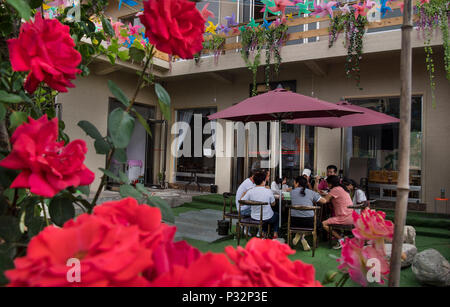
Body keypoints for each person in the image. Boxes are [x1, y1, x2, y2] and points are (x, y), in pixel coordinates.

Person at [290, 176, 327, 250]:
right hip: (309, 222)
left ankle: (300, 235)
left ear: (297, 183)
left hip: (294, 222)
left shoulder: (291, 192)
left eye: (294, 182)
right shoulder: (311, 192)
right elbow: (324, 201)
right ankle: (304, 237)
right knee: (319, 225)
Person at [241, 171, 279, 239]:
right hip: (268, 217)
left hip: (254, 217)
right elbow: (273, 204)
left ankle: (263, 232)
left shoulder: (250, 191)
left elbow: (241, 202)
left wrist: (245, 192)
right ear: (264, 181)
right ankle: (275, 233)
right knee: (276, 215)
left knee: (265, 217)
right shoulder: (268, 191)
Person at [320, 175, 354, 249]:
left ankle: (340, 239)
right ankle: (342, 238)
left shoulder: (335, 190)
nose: (327, 185)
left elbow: (325, 200)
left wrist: (315, 196)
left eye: (327, 183)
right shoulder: (342, 188)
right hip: (350, 216)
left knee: (323, 224)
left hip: (344, 218)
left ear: (331, 184)